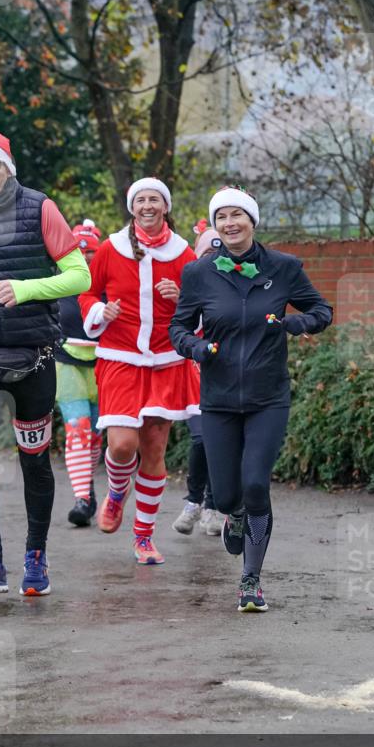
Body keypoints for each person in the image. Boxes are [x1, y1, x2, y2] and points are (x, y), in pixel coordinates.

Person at [169, 185, 333, 611]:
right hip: (219, 398)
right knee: (225, 497)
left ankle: (250, 581)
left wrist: (294, 326)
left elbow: (322, 311)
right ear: (216, 225)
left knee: (257, 484)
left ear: (252, 221)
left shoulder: (284, 267)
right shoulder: (198, 273)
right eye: (222, 217)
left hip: (268, 396)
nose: (230, 223)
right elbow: (178, 329)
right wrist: (196, 348)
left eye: (237, 215)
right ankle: (234, 515)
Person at [0, 128, 90, 595]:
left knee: (34, 461)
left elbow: (79, 276)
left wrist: (26, 289)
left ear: (9, 168)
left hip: (34, 356)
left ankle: (36, 558)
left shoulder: (40, 207)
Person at [78, 177, 200, 565]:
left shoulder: (183, 255)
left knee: (153, 448)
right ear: (132, 207)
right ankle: (116, 492)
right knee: (121, 445)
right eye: (141, 200)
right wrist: (100, 312)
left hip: (167, 360)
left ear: (165, 207)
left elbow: (204, 305)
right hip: (120, 357)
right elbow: (86, 291)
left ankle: (143, 537)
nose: (147, 206)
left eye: (155, 200)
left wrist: (182, 299)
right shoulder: (111, 249)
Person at [172, 226, 224, 538]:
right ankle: (194, 501)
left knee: (219, 442)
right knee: (202, 439)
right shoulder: (187, 283)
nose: (214, 259)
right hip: (193, 374)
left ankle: (213, 508)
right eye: (207, 253)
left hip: (226, 376)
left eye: (219, 253)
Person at [56, 221, 103, 527]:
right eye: (79, 252)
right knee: (78, 428)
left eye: (91, 253)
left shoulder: (108, 283)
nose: (85, 258)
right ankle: (82, 498)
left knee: (96, 434)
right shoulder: (56, 280)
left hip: (105, 365)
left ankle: (88, 490)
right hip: (66, 363)